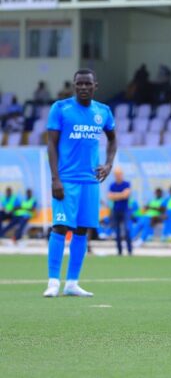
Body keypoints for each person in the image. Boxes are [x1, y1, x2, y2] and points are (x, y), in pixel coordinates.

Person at [43, 68, 116, 297]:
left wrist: (108, 164)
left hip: (90, 182)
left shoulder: (103, 111)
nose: (83, 87)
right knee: (60, 226)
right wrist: (55, 178)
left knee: (82, 230)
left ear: (95, 86)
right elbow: (51, 145)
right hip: (66, 180)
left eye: (87, 84)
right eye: (79, 84)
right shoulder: (61, 108)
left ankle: (72, 282)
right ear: (74, 86)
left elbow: (113, 139)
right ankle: (53, 281)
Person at [108, 167, 132, 256]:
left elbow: (126, 195)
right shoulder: (112, 185)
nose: (118, 176)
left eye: (119, 174)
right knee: (117, 231)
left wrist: (116, 195)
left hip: (125, 210)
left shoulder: (126, 184)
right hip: (116, 210)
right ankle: (119, 251)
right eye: (116, 174)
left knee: (127, 230)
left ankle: (129, 250)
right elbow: (110, 196)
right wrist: (121, 194)